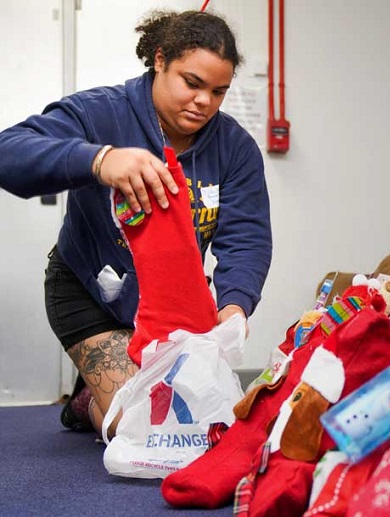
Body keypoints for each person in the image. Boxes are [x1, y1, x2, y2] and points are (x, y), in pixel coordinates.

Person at [0, 9, 272, 437]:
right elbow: (9, 153)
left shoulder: (236, 148)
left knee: (206, 423)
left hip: (176, 302)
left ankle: (108, 381)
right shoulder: (100, 112)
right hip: (90, 295)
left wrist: (235, 305)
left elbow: (246, 238)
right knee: (142, 427)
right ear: (160, 59)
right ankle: (89, 401)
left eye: (219, 91)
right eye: (192, 83)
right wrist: (100, 159)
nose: (205, 102)